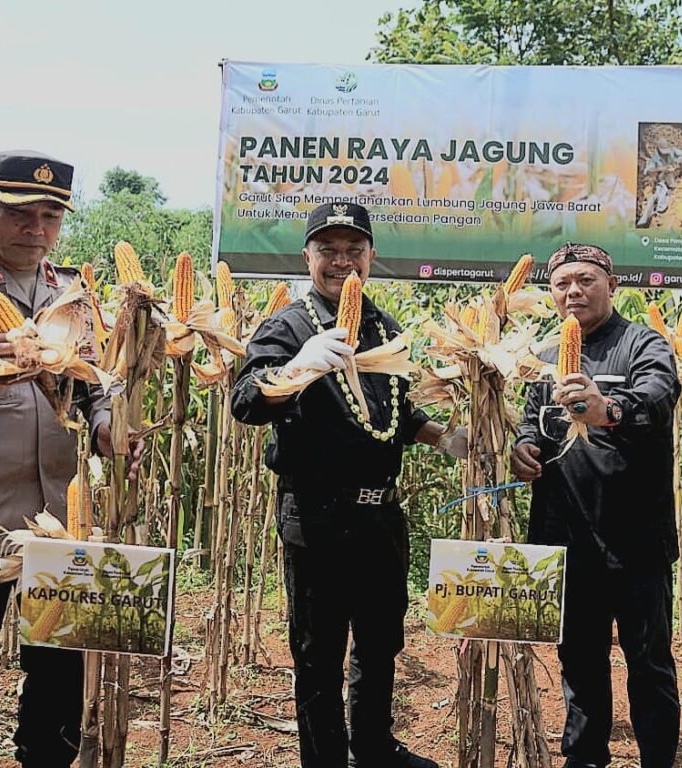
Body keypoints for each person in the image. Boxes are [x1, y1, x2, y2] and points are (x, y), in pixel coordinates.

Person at [231, 202, 465, 768]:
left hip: (380, 516)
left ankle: (374, 748)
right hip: (317, 514)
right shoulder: (287, 327)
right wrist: (296, 369)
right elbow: (245, 401)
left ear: (371, 256)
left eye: (353, 250)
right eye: (328, 250)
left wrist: (442, 437)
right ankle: (326, 757)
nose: (342, 262)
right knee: (318, 651)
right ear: (307, 256)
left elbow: (394, 412)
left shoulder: (383, 328)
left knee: (382, 643)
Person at [509, 243, 681, 768]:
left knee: (648, 661)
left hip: (636, 541)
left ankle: (657, 759)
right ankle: (584, 759)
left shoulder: (642, 344)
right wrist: (523, 448)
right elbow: (530, 420)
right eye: (562, 283)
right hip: (566, 538)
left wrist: (607, 407)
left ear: (612, 285)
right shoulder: (540, 356)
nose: (573, 291)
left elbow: (656, 399)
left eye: (585, 280)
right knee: (579, 662)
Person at [0, 150, 116, 767]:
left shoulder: (71, 292)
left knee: (60, 669)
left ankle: (45, 756)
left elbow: (94, 379)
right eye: (18, 213)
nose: (35, 229)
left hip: (62, 515)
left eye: (49, 216)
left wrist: (105, 422)